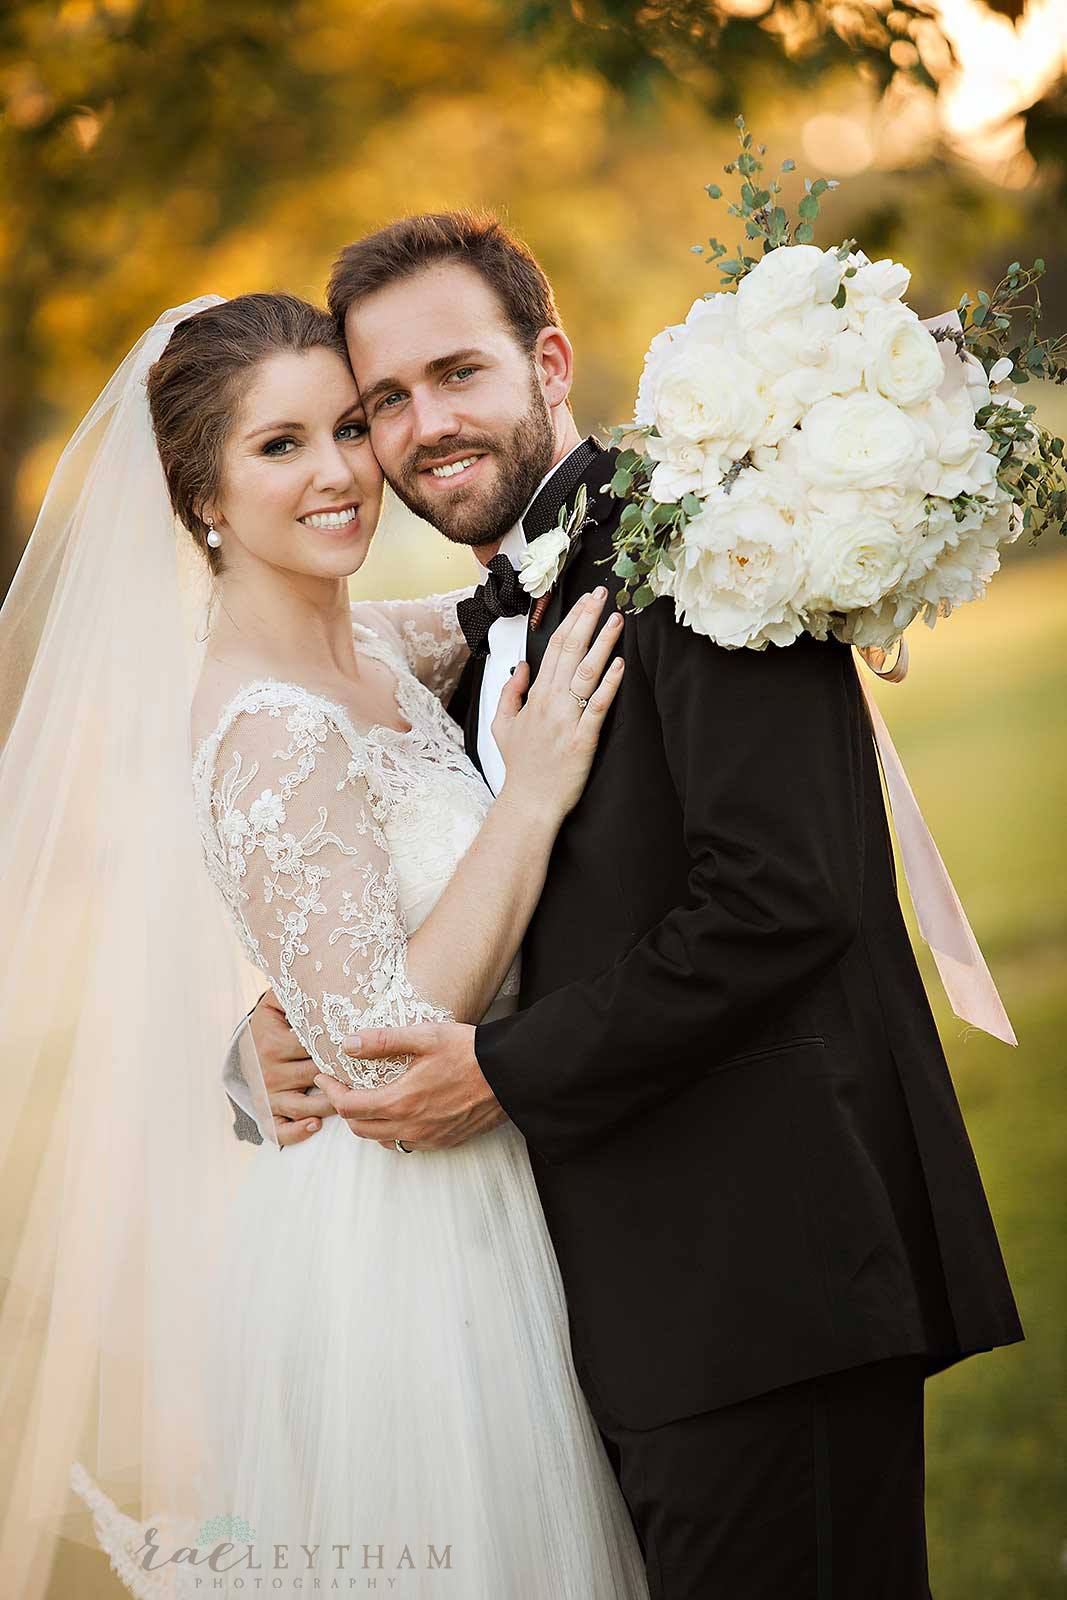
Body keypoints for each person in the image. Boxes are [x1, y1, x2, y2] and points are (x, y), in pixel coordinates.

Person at [234, 213, 1025, 1598]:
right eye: (384, 404)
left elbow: (782, 898)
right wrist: (279, 1028)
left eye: (458, 373)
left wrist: (500, 1072)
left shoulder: (712, 548)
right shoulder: (474, 630)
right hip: (598, 1316)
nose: (426, 427)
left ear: (549, 361)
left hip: (767, 1289)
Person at [0, 292, 646, 1599]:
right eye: (280, 446)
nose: (345, 471)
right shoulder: (260, 728)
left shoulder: (380, 650)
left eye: (349, 426)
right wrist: (527, 800)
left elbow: (490, 613)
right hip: (407, 1248)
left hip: (504, 1187)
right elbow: (386, 1042)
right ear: (201, 498)